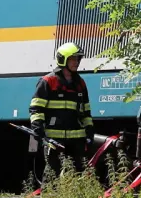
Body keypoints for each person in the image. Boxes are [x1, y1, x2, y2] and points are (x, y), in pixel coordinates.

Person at [29, 42, 93, 183]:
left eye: (78, 59)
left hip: (77, 139)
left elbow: (86, 110)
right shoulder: (48, 81)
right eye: (73, 59)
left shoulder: (80, 84)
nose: (76, 62)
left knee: (79, 175)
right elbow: (36, 108)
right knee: (52, 174)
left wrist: (89, 129)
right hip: (54, 139)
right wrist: (38, 128)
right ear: (63, 59)